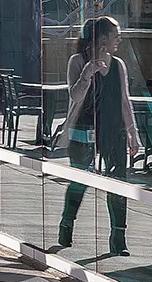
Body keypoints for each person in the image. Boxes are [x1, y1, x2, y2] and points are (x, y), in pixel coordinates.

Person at [54, 16, 141, 257]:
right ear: (102, 38)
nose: (119, 40)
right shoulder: (78, 61)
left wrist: (133, 134)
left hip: (114, 131)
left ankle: (118, 237)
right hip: (83, 130)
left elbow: (125, 101)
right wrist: (88, 71)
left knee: (118, 183)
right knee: (80, 181)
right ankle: (67, 222)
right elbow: (75, 96)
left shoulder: (118, 65)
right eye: (116, 35)